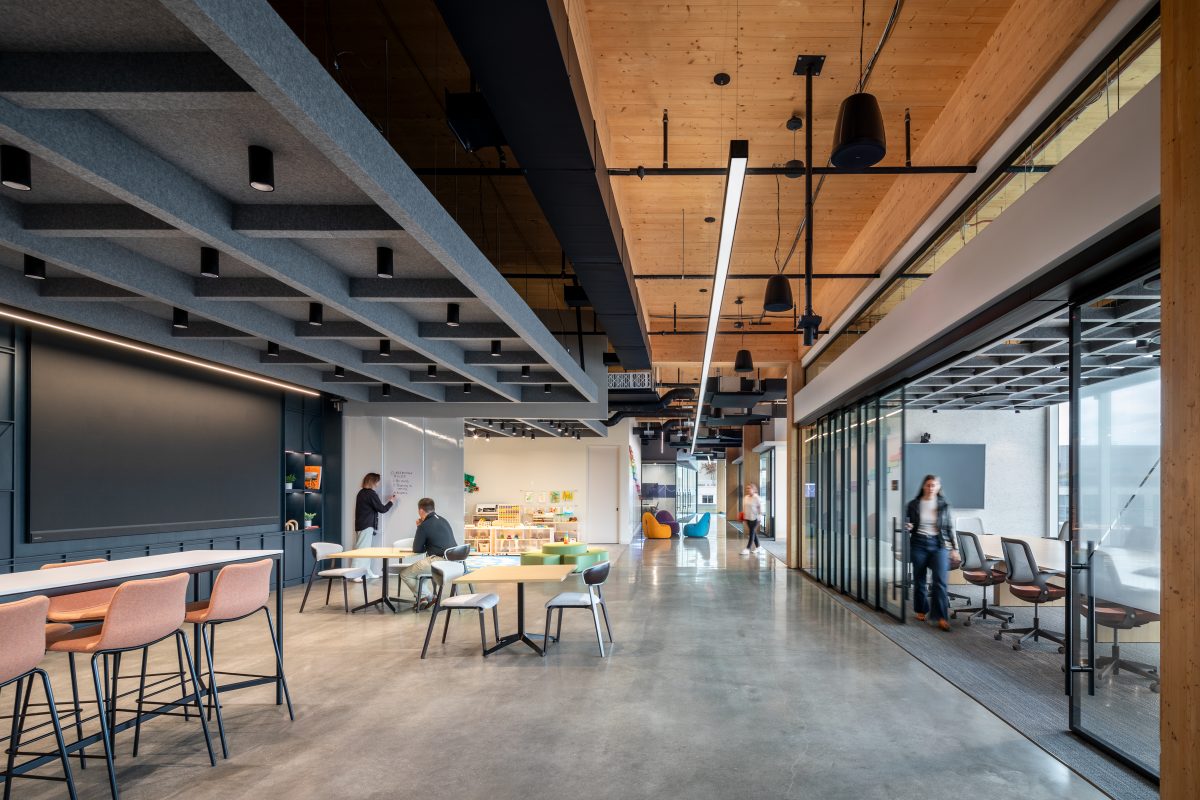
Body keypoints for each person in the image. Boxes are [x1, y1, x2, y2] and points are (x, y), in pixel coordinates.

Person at [904, 474, 959, 631]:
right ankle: (921, 609)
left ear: (938, 487)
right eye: (928, 485)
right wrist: (908, 527)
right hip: (919, 543)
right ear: (924, 486)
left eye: (934, 485)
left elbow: (948, 528)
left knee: (940, 581)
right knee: (920, 579)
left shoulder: (944, 505)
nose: (931, 488)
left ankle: (941, 617)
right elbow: (908, 523)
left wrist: (954, 548)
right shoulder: (913, 504)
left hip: (938, 545)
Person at [399, 497, 457, 609]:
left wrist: (419, 527)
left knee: (405, 574)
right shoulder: (443, 520)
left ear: (421, 511)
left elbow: (417, 549)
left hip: (439, 562)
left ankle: (429, 597)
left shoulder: (424, 526)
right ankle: (423, 599)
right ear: (433, 508)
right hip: (455, 562)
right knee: (418, 572)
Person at [353, 473, 396, 579]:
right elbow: (382, 509)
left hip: (361, 525)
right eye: (377, 482)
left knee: (365, 550)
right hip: (366, 526)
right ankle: (355, 575)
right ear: (372, 482)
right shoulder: (371, 494)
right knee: (361, 551)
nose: (378, 484)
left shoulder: (361, 493)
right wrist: (391, 501)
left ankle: (367, 572)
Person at [741, 483, 763, 556]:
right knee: (753, 532)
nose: (748, 489)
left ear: (753, 489)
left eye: (749, 488)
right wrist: (744, 517)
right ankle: (758, 547)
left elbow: (759, 507)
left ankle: (748, 548)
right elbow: (744, 507)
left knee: (751, 533)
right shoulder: (746, 497)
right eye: (747, 488)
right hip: (747, 518)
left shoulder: (756, 497)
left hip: (755, 518)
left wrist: (759, 517)